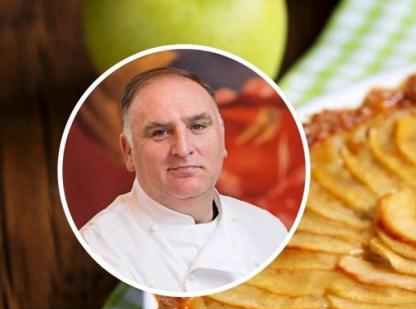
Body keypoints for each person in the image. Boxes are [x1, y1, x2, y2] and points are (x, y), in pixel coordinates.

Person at [80, 67, 288, 293]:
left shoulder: (267, 226)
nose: (183, 148)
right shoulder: (100, 247)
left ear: (222, 138)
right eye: (160, 132)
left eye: (198, 126)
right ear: (129, 151)